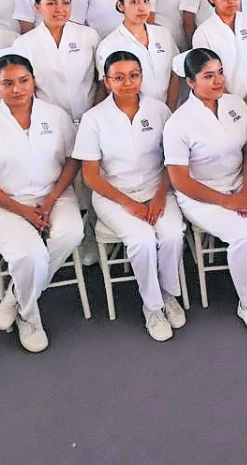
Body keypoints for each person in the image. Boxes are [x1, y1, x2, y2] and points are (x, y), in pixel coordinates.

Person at [0, 53, 83, 353]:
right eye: (7, 83)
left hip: (53, 195)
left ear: (33, 81)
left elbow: (71, 161)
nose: (16, 88)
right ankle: (30, 317)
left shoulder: (55, 116)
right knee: (30, 256)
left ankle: (16, 295)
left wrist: (51, 199)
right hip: (5, 203)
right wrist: (25, 212)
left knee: (71, 233)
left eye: (23, 81)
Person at [163, 48, 247, 336]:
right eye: (208, 76)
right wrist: (227, 201)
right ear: (190, 83)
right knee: (244, 236)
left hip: (241, 181)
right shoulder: (178, 123)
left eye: (219, 72)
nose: (218, 80)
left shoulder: (234, 105)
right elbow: (180, 181)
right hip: (202, 194)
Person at [73, 50, 185, 342]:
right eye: (119, 77)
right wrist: (129, 203)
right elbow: (91, 176)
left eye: (133, 75)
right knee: (142, 241)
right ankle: (152, 307)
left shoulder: (159, 111)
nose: (127, 82)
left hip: (157, 188)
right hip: (114, 196)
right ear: (106, 81)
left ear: (142, 77)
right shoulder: (93, 119)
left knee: (172, 234)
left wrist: (161, 195)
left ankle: (168, 293)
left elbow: (171, 160)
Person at [14, 0, 99, 123]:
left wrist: (95, 111)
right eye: (51, 3)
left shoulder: (88, 35)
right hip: (49, 121)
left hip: (91, 116)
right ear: (37, 7)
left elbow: (101, 79)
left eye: (65, 3)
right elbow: (26, 88)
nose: (59, 9)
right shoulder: (24, 43)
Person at [96, 0, 180, 111]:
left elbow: (175, 72)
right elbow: (110, 88)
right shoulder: (109, 45)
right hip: (136, 114)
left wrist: (170, 109)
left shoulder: (163, 34)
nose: (142, 7)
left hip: (169, 109)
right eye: (134, 2)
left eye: (145, 1)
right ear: (120, 5)